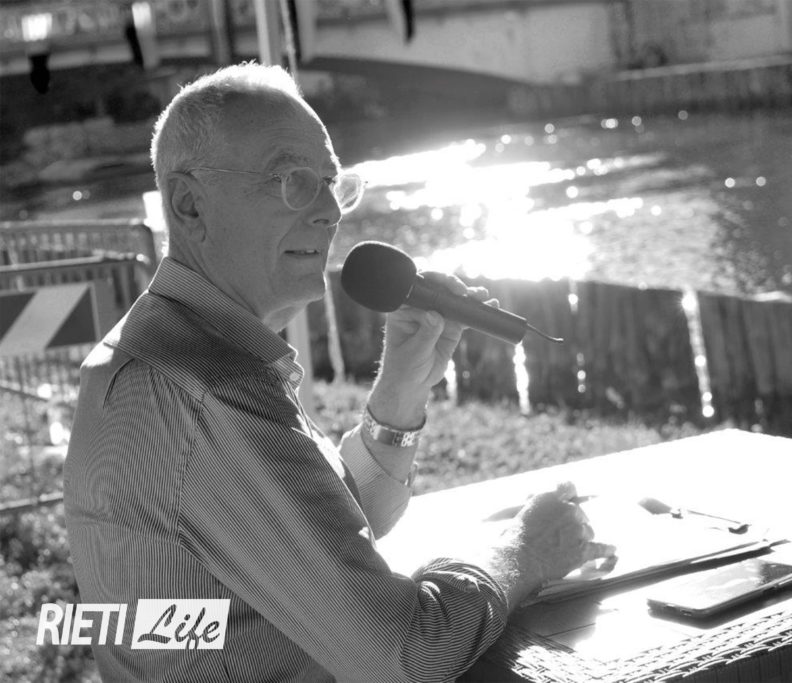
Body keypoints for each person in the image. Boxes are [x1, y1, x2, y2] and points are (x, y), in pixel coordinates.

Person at [64, 63, 614, 682]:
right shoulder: (211, 387)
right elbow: (408, 657)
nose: (330, 211)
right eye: (293, 181)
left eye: (333, 183)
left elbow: (314, 536)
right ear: (189, 204)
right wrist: (523, 553)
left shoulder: (151, 347)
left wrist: (400, 392)